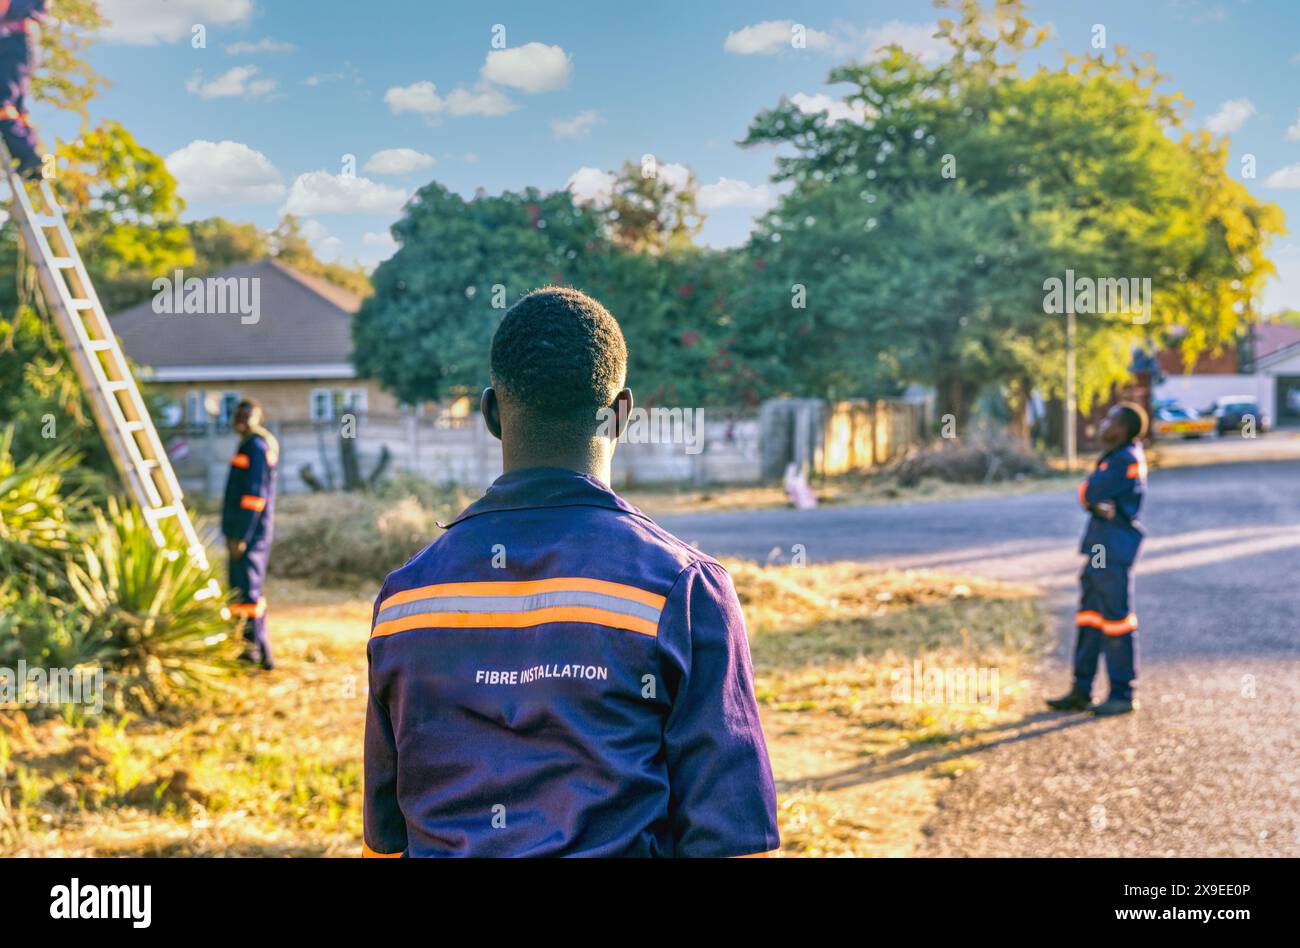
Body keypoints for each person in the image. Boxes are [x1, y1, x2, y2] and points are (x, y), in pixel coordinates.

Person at [363, 286, 780, 857]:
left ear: (490, 414)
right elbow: (736, 844)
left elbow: (384, 843)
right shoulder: (683, 590)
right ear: (621, 414)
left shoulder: (406, 599)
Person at [1047, 402, 1149, 717]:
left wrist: (1092, 500)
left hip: (1109, 548)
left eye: (1111, 420)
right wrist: (1092, 500)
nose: (1104, 424)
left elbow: (1089, 492)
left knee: (1115, 617)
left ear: (1125, 429)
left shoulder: (1123, 459)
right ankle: (1081, 690)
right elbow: (1089, 496)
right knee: (1090, 615)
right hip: (1101, 546)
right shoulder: (1117, 456)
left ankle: (1122, 693)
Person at [221, 399, 279, 671]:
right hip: (249, 533)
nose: (241, 421)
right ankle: (261, 652)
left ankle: (251, 652)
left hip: (249, 534)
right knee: (246, 590)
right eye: (237, 416)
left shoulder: (255, 446)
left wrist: (240, 535)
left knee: (246, 591)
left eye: (247, 416)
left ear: (259, 417)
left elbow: (255, 497)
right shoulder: (252, 444)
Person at [0, 0, 48, 180]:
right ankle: (32, 156)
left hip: (13, 45)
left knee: (3, 104)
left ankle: (30, 156)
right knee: (16, 107)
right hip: (20, 46)